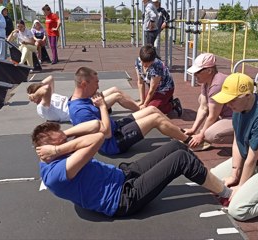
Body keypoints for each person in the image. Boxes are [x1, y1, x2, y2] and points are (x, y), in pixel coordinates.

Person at [32, 120, 232, 217]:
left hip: (122, 175)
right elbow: (99, 137)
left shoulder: (57, 154)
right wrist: (59, 147)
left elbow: (96, 126)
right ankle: (226, 194)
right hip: (123, 198)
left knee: (176, 146)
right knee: (181, 159)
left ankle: (210, 180)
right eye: (62, 141)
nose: (68, 140)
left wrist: (61, 140)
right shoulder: (56, 173)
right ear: (51, 150)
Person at [68, 67, 200, 155]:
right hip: (112, 143)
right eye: (96, 83)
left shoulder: (82, 99)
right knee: (155, 119)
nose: (98, 86)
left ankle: (179, 133)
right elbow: (106, 134)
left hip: (116, 128)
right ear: (84, 84)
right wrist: (103, 107)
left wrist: (103, 104)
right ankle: (190, 142)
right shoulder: (80, 111)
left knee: (152, 109)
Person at [210, 73, 258, 221]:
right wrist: (234, 173)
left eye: (232, 99)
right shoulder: (238, 109)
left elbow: (252, 157)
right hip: (250, 160)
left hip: (254, 159)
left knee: (238, 210)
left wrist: (241, 186)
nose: (228, 104)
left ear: (247, 95)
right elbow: (237, 141)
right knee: (212, 179)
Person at [27, 75, 140, 122]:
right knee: (117, 96)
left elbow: (50, 78)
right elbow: (46, 89)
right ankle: (140, 110)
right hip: (79, 110)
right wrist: (36, 95)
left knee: (115, 89)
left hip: (78, 101)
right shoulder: (42, 107)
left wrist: (38, 86)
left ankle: (138, 105)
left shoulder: (49, 95)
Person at [185, 53, 233, 150]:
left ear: (209, 70)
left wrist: (201, 135)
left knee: (210, 135)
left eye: (197, 72)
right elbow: (203, 108)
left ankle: (247, 137)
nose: (194, 75)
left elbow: (212, 116)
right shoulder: (206, 82)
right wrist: (193, 129)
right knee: (202, 98)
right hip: (227, 113)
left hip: (239, 116)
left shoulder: (216, 85)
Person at [135, 44, 182, 116]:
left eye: (147, 64)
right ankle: (166, 100)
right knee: (146, 105)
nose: (144, 65)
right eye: (142, 62)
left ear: (153, 60)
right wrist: (142, 101)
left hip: (165, 88)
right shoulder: (138, 61)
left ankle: (173, 104)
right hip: (155, 88)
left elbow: (152, 90)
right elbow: (140, 82)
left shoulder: (157, 66)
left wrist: (145, 104)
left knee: (152, 109)